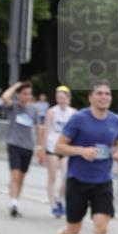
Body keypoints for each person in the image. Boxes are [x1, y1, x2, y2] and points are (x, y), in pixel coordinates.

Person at [51, 80, 118, 234]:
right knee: (74, 229)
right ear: (91, 97)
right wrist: (81, 151)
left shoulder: (116, 120)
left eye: (107, 94)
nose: (104, 97)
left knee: (101, 228)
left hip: (103, 181)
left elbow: (117, 143)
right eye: (100, 93)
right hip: (78, 180)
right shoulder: (79, 119)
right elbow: (58, 146)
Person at [0, 80, 42, 217]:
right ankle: (13, 203)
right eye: (24, 93)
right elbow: (4, 97)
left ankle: (15, 201)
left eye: (29, 94)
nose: (27, 96)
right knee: (15, 175)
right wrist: (16, 86)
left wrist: (40, 146)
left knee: (21, 177)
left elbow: (38, 127)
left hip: (28, 147)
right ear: (18, 95)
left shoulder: (34, 109)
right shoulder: (13, 106)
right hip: (14, 144)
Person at [42, 85, 77, 218]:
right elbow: (46, 130)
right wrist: (44, 148)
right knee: (52, 177)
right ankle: (53, 206)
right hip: (52, 146)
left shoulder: (73, 113)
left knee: (67, 176)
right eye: (59, 98)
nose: (61, 100)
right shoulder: (51, 111)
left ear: (68, 98)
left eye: (63, 98)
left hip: (66, 147)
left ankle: (59, 197)